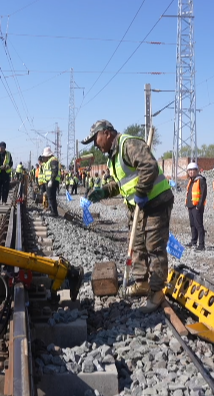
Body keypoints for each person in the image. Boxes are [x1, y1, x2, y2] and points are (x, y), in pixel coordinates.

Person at [84, 120, 173, 313]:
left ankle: (157, 290)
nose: (95, 144)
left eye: (96, 138)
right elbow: (122, 183)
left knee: (154, 247)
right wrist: (103, 192)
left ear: (107, 133)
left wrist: (141, 192)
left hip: (155, 201)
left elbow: (149, 167)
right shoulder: (113, 157)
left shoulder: (128, 144)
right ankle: (142, 283)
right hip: (138, 206)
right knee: (138, 245)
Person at [185, 162, 207, 251]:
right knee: (192, 224)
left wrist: (199, 205)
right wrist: (187, 204)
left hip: (197, 207)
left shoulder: (200, 180)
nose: (190, 172)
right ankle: (193, 241)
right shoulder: (191, 180)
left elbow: (203, 194)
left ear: (197, 170)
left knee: (199, 225)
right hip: (190, 206)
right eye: (189, 170)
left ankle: (201, 245)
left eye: (192, 170)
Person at [41, 147, 60, 216]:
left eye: (44, 157)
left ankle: (54, 212)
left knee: (51, 197)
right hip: (49, 181)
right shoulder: (48, 161)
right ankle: (52, 210)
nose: (43, 158)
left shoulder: (53, 160)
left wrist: (51, 180)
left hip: (52, 181)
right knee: (50, 196)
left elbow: (55, 171)